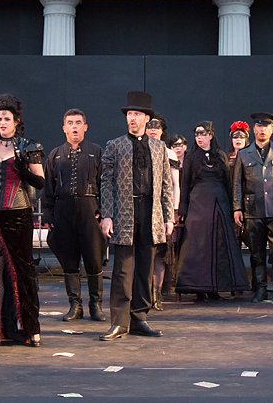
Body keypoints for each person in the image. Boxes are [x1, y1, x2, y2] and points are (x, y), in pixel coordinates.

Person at [99, 91, 174, 341]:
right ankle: (120, 321)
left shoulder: (159, 147)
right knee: (123, 269)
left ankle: (139, 317)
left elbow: (165, 184)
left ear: (146, 118)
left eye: (137, 114)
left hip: (150, 211)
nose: (132, 118)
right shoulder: (115, 145)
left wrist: (168, 216)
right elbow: (106, 183)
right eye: (130, 114)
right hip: (124, 211)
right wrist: (107, 215)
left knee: (145, 267)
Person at [0, 93, 46, 347]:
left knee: (22, 272)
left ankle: (30, 329)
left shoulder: (29, 147)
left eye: (7, 118)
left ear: (16, 121)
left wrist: (22, 171)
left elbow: (40, 183)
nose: (2, 123)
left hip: (17, 214)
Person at [42, 108, 106, 323]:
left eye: (78, 123)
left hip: (90, 211)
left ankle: (96, 305)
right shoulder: (55, 154)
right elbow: (48, 187)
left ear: (85, 127)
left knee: (94, 260)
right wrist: (48, 215)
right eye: (70, 123)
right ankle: (75, 306)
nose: (74, 127)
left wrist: (104, 212)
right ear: (64, 128)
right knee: (69, 261)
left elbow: (105, 184)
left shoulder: (96, 152)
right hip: (64, 211)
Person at [175, 121, 250, 299]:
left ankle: (216, 286)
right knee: (198, 245)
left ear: (210, 135)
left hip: (219, 203)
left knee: (219, 244)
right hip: (198, 205)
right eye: (197, 134)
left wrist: (233, 207)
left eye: (202, 134)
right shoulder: (191, 157)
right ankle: (199, 288)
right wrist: (183, 208)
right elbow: (185, 184)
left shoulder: (220, 155)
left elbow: (228, 182)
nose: (199, 137)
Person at [232, 111, 273, 303]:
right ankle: (260, 290)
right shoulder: (244, 154)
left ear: (272, 129)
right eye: (259, 126)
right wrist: (237, 208)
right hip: (253, 210)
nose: (262, 130)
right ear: (254, 129)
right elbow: (237, 183)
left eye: (266, 126)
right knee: (256, 252)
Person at [147, 114, 179, 311]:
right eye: (150, 126)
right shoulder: (138, 148)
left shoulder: (169, 153)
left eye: (156, 126)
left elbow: (175, 185)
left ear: (162, 130)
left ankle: (157, 294)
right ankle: (144, 293)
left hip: (162, 208)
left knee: (160, 254)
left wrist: (174, 211)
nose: (153, 129)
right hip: (144, 207)